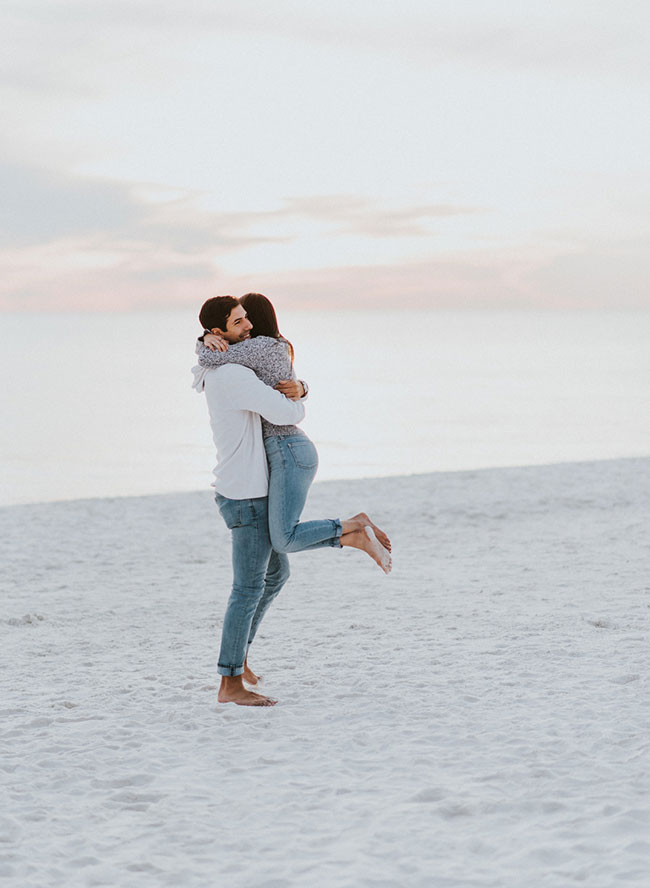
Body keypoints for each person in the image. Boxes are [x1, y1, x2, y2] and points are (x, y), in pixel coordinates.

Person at [193, 295, 391, 707]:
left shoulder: (222, 366)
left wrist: (301, 386)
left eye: (248, 318)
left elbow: (259, 372)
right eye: (237, 322)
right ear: (218, 332)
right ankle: (230, 684)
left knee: (276, 574)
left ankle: (239, 663)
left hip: (247, 487)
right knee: (247, 589)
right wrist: (298, 394)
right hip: (246, 492)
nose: (248, 326)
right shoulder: (231, 374)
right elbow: (288, 413)